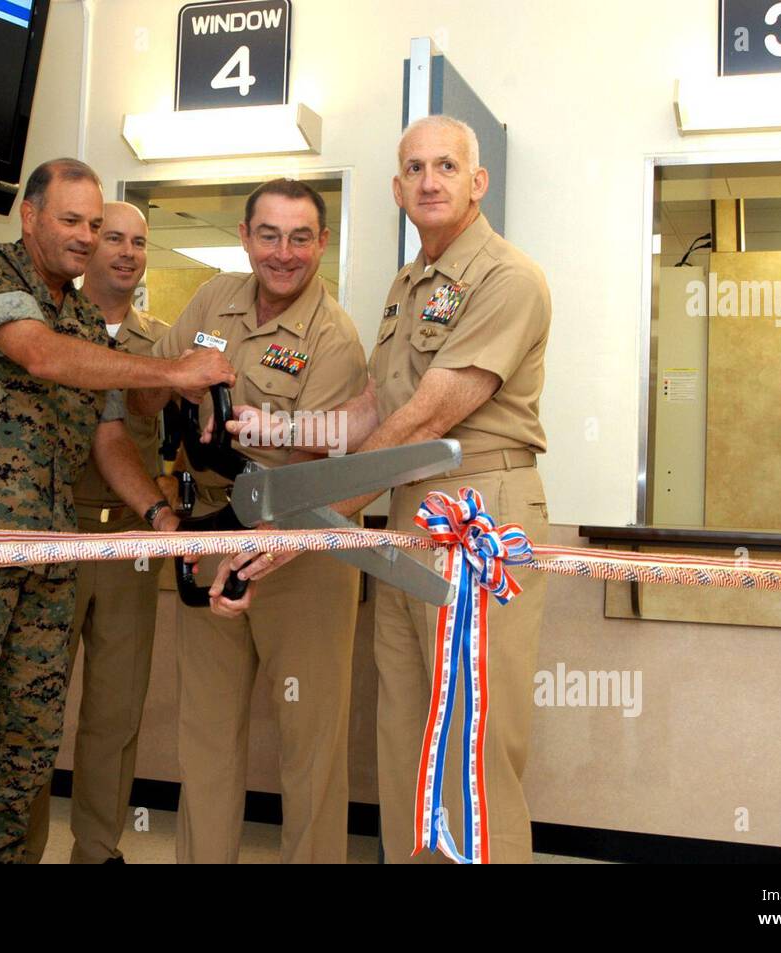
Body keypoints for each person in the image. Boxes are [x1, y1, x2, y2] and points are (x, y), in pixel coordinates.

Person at [222, 116, 552, 864]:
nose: (429, 180)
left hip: (477, 513)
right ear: (398, 188)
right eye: (414, 167)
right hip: (406, 514)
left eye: (446, 165)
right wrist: (274, 429)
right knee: (407, 729)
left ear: (478, 181)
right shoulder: (409, 285)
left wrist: (312, 522)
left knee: (472, 740)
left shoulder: (507, 277)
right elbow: (375, 407)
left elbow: (426, 417)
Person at [0, 158, 233, 863]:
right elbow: (40, 355)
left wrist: (161, 515)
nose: (85, 236)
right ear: (31, 216)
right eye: (70, 221)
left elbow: (109, 435)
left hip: (48, 562)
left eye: (94, 223)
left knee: (23, 753)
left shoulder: (83, 317)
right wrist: (173, 372)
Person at [141, 178, 368, 863]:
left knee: (310, 746)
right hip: (212, 529)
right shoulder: (213, 299)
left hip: (297, 541)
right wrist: (183, 394)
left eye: (301, 237)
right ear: (245, 236)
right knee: (206, 737)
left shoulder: (336, 336)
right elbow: (157, 381)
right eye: (268, 234)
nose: (284, 252)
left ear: (322, 244)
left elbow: (319, 454)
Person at [24, 202, 176, 864]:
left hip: (128, 545)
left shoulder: (164, 344)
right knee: (31, 707)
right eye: (113, 236)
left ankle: (96, 847)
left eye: (139, 241)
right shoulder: (48, 323)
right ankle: (18, 848)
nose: (126, 251)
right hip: (52, 535)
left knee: (115, 711)